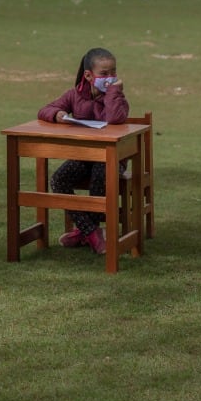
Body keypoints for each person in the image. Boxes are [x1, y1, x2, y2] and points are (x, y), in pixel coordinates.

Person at [36, 47, 129, 255]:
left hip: (112, 159)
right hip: (84, 157)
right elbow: (44, 110)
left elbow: (115, 118)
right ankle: (92, 231)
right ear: (88, 75)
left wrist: (114, 92)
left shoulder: (117, 97)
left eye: (113, 72)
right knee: (59, 179)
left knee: (100, 173)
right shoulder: (74, 95)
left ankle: (86, 233)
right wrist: (57, 113)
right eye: (104, 74)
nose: (110, 78)